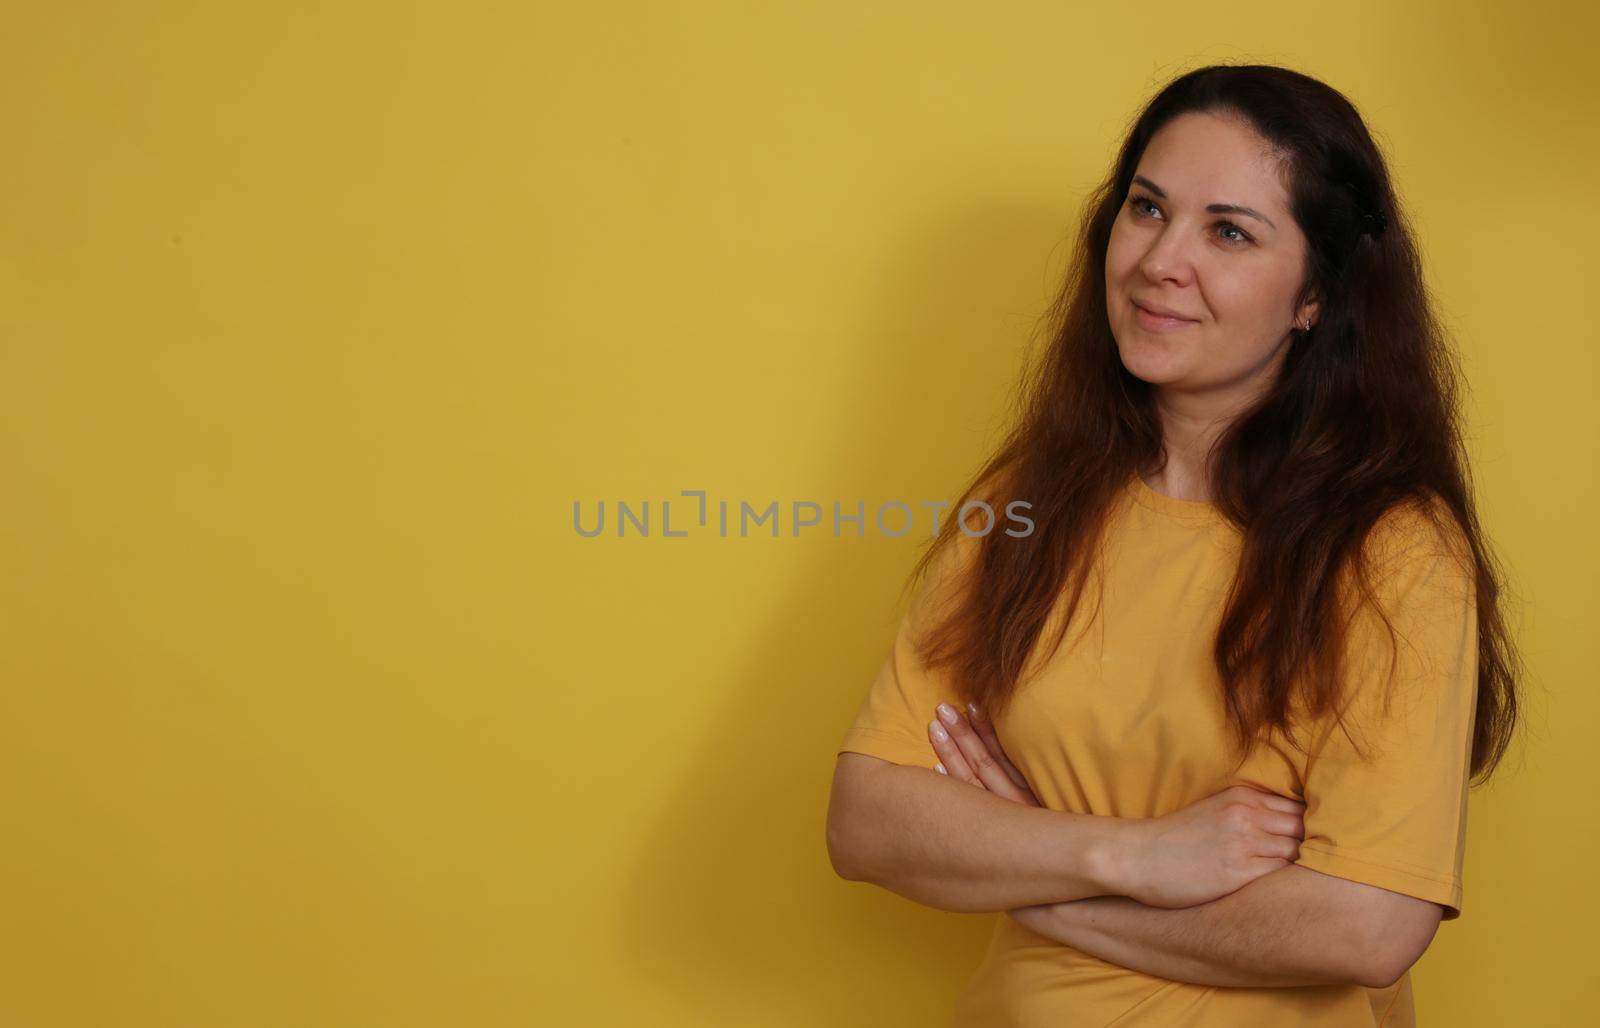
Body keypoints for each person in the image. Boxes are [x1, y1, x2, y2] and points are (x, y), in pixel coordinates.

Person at [825, 63, 1522, 1027]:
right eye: (1147, 209)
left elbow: (1366, 926)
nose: (1160, 260)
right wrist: (1135, 856)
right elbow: (865, 820)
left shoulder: (1392, 550)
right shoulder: (1028, 500)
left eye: (1229, 231)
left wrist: (1018, 857)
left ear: (1315, 296)